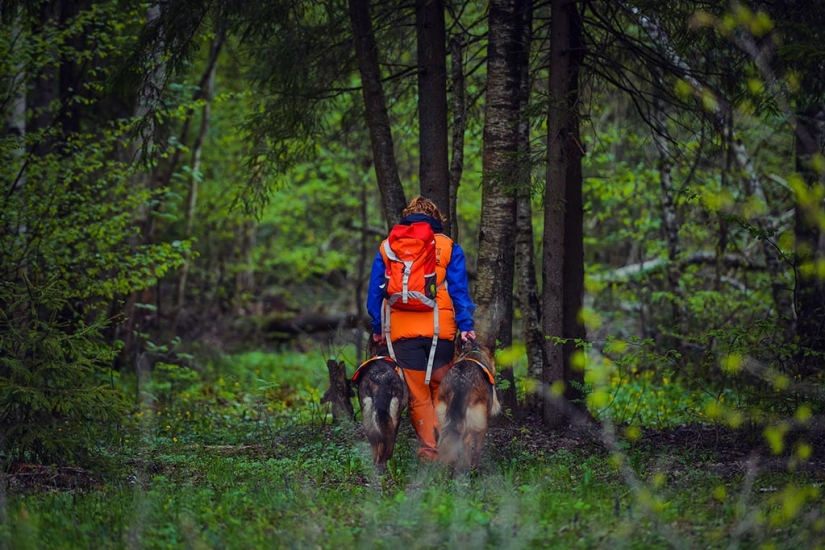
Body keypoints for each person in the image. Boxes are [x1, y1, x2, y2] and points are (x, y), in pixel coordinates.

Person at [367, 196, 476, 461]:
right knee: (441, 390)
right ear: (437, 219)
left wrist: (377, 326)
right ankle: (450, 451)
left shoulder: (388, 246)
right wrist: (466, 326)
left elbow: (375, 293)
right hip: (441, 331)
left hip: (402, 333)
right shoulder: (449, 247)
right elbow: (459, 291)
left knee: (418, 396)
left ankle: (430, 452)